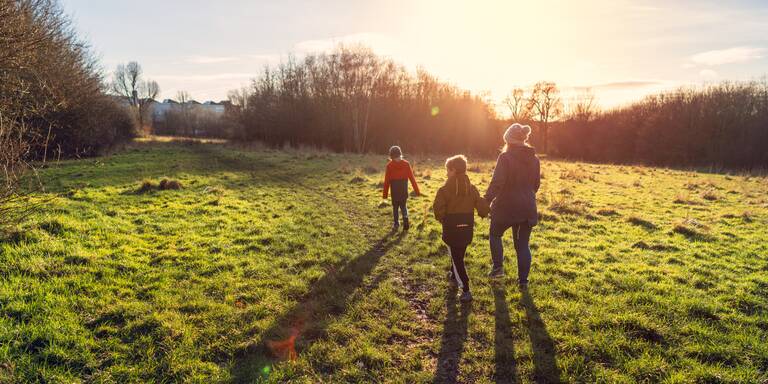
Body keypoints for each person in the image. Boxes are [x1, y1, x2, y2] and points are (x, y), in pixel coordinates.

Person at [484, 123, 541, 288]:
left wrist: (487, 200)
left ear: (508, 140)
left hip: (506, 206)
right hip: (527, 207)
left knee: (495, 234)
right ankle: (523, 282)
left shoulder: (505, 157)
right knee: (523, 245)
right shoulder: (535, 159)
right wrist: (526, 197)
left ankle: (498, 268)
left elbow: (497, 183)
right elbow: (536, 185)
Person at [433, 155, 490, 302]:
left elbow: (438, 209)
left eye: (448, 170)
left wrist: (443, 219)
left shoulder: (444, 190)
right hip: (467, 227)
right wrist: (486, 210)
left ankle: (465, 289)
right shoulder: (472, 189)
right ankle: (453, 273)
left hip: (451, 227)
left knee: (457, 258)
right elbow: (482, 207)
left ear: (453, 170)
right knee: (459, 253)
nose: (446, 173)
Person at [382, 145, 420, 231]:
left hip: (394, 191)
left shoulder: (389, 166)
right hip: (403, 190)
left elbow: (387, 181)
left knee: (395, 207)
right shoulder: (406, 164)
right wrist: (417, 191)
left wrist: (385, 195)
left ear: (391, 155)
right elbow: (412, 178)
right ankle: (405, 219)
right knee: (403, 206)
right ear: (400, 154)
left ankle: (396, 224)